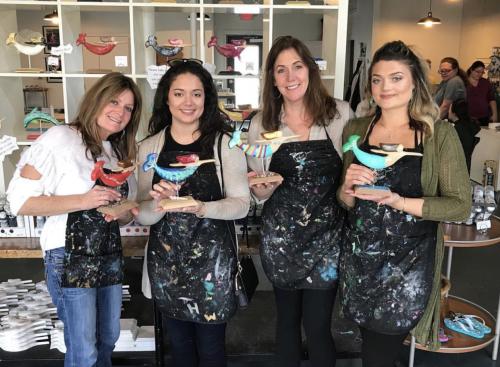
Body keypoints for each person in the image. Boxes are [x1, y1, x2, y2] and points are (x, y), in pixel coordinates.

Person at [338, 40, 471, 367]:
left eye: (396, 78)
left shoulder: (438, 135)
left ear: (415, 84)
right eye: (377, 79)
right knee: (371, 343)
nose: (385, 87)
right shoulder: (356, 129)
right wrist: (346, 187)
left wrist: (399, 201)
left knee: (378, 353)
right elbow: (346, 202)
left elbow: (459, 206)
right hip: (359, 262)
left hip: (407, 267)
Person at [6, 72, 142, 367]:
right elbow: (19, 201)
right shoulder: (60, 138)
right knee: (84, 349)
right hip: (68, 256)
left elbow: (109, 213)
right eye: (114, 101)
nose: (120, 112)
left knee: (108, 337)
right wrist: (83, 201)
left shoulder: (114, 151)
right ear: (97, 99)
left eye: (129, 108)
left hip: (108, 256)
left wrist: (122, 213)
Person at [135, 59, 250, 367]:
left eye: (196, 94)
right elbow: (143, 216)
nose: (188, 102)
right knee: (181, 351)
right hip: (167, 268)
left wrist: (202, 208)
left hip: (214, 268)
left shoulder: (225, 145)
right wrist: (159, 202)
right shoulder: (148, 148)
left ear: (206, 98)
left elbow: (242, 204)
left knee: (212, 351)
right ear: (167, 98)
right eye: (179, 94)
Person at [247, 35, 353, 367]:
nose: (291, 77)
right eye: (281, 70)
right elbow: (257, 188)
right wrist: (262, 191)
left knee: (319, 326)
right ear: (272, 79)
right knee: (287, 324)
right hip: (281, 239)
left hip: (327, 238)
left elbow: (350, 173)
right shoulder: (261, 123)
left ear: (310, 69)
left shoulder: (339, 114)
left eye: (297, 66)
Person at [448, 99, 481, 173]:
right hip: (469, 167)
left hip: (458, 169)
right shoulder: (473, 126)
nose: (448, 111)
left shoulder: (456, 130)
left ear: (454, 113)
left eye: (449, 109)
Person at [466, 60, 498, 125]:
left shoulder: (486, 83)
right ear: (471, 70)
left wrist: (495, 114)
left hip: (484, 117)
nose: (480, 74)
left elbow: (491, 99)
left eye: (482, 72)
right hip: (467, 117)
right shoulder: (463, 82)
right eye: (477, 72)